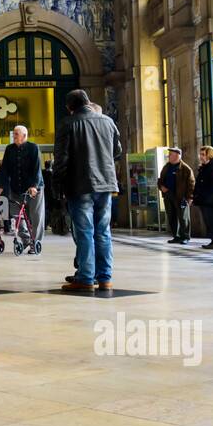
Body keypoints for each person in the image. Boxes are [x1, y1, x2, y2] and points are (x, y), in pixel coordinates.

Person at [53, 90, 122, 290]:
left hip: (80, 184)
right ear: (87, 102)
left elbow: (61, 160)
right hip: (106, 183)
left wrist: (57, 187)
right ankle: (105, 278)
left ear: (70, 107)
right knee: (103, 231)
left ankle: (85, 278)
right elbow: (117, 151)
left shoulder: (68, 124)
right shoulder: (108, 121)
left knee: (85, 232)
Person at [1, 125, 44, 245]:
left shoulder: (33, 148)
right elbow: (5, 169)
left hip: (33, 188)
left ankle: (36, 243)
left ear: (24, 136)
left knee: (36, 217)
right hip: (16, 188)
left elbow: (37, 169)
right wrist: (1, 185)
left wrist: (34, 186)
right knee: (16, 216)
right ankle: (26, 239)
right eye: (13, 133)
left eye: (16, 134)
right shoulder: (9, 149)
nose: (13, 136)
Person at [159, 148, 194, 244]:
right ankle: (176, 236)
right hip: (168, 195)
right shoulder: (166, 167)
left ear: (177, 156)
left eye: (170, 154)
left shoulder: (185, 169)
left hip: (181, 196)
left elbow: (191, 184)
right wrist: (161, 187)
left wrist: (190, 197)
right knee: (171, 216)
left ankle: (185, 237)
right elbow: (160, 179)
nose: (168, 156)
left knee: (183, 217)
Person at [194, 145, 213, 249]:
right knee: (209, 221)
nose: (200, 157)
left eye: (203, 154)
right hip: (204, 199)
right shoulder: (204, 167)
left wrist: (209, 199)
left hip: (211, 201)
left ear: (209, 155)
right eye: (200, 154)